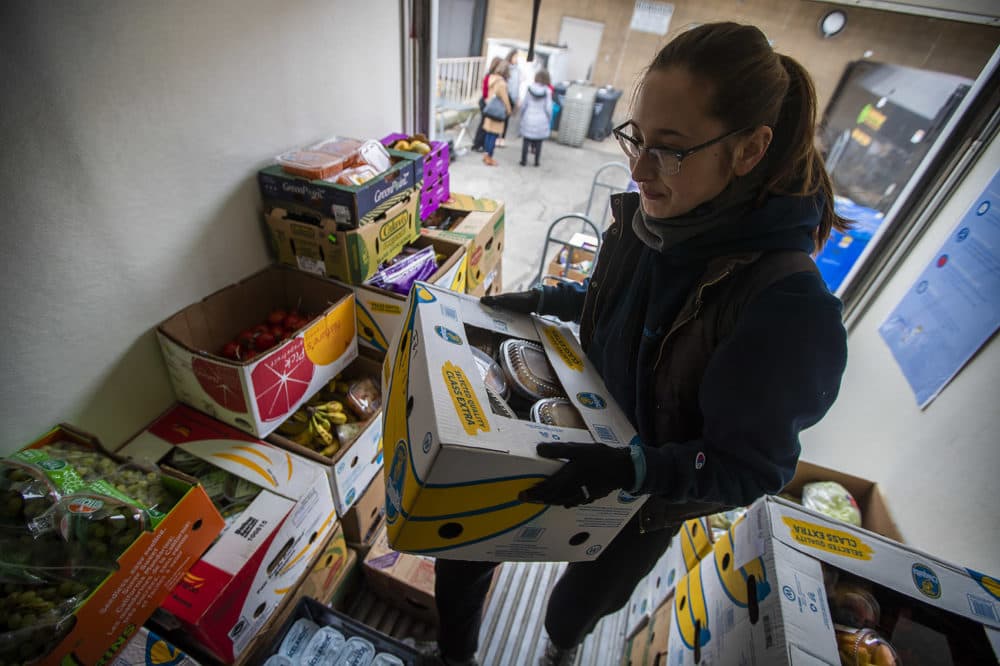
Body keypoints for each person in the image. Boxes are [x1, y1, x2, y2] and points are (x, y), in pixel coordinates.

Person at [431, 22, 850, 666]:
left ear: (748, 150)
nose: (639, 168)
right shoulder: (655, 216)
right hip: (567, 427)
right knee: (462, 548)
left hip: (645, 499)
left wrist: (633, 471)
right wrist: (550, 300)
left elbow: (752, 468)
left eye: (671, 148)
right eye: (636, 138)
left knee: (576, 603)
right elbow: (624, 305)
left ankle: (558, 650)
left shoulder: (786, 308)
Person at [518, 70, 553, 167]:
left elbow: (524, 104)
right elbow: (549, 107)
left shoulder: (529, 89)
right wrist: (549, 118)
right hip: (541, 119)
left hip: (528, 117)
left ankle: (523, 160)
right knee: (538, 141)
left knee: (526, 140)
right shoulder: (547, 91)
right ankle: (536, 161)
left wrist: (522, 115)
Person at [481, 61, 512, 167]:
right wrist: (509, 110)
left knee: (488, 134)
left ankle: (486, 155)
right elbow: (505, 99)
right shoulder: (502, 83)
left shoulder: (492, 78)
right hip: (497, 112)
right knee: (493, 136)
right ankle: (489, 157)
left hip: (490, 109)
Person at [472, 57, 503, 153]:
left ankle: (481, 144)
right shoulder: (489, 77)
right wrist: (489, 103)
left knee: (485, 125)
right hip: (486, 103)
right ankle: (477, 144)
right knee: (483, 125)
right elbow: (485, 93)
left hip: (488, 103)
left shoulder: (493, 77)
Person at [499, 48, 520, 148]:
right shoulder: (505, 67)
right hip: (505, 95)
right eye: (515, 56)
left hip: (513, 97)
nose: (516, 59)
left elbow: (517, 85)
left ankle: (502, 138)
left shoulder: (517, 69)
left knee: (506, 119)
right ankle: (497, 138)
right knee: (500, 117)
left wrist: (517, 98)